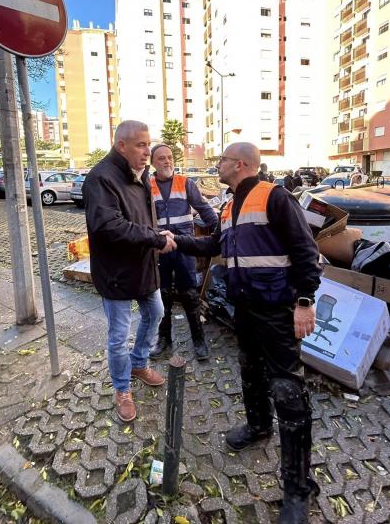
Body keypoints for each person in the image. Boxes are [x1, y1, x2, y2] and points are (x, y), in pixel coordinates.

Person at [169, 142, 321, 524]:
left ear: (239, 164)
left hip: (277, 310)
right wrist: (175, 241)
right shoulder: (229, 206)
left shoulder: (276, 197)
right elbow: (213, 245)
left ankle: (298, 487)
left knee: (287, 390)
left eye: (221, 159)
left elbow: (306, 251)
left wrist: (305, 301)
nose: (216, 164)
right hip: (245, 308)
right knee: (250, 369)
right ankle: (258, 426)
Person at [82, 120, 177, 423]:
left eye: (149, 144)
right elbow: (109, 226)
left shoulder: (140, 174)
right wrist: (155, 239)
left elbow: (143, 219)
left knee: (156, 313)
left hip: (144, 266)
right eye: (141, 145)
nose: (148, 152)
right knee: (119, 335)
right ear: (121, 145)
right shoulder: (100, 178)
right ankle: (122, 389)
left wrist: (158, 235)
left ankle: (138, 362)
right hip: (116, 273)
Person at [148, 144, 218, 360]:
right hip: (160, 247)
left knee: (189, 293)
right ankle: (164, 339)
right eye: (161, 158)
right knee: (163, 294)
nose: (167, 161)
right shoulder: (147, 186)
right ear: (153, 163)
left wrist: (220, 230)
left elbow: (204, 208)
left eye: (169, 157)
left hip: (184, 246)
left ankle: (198, 340)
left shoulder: (185, 182)